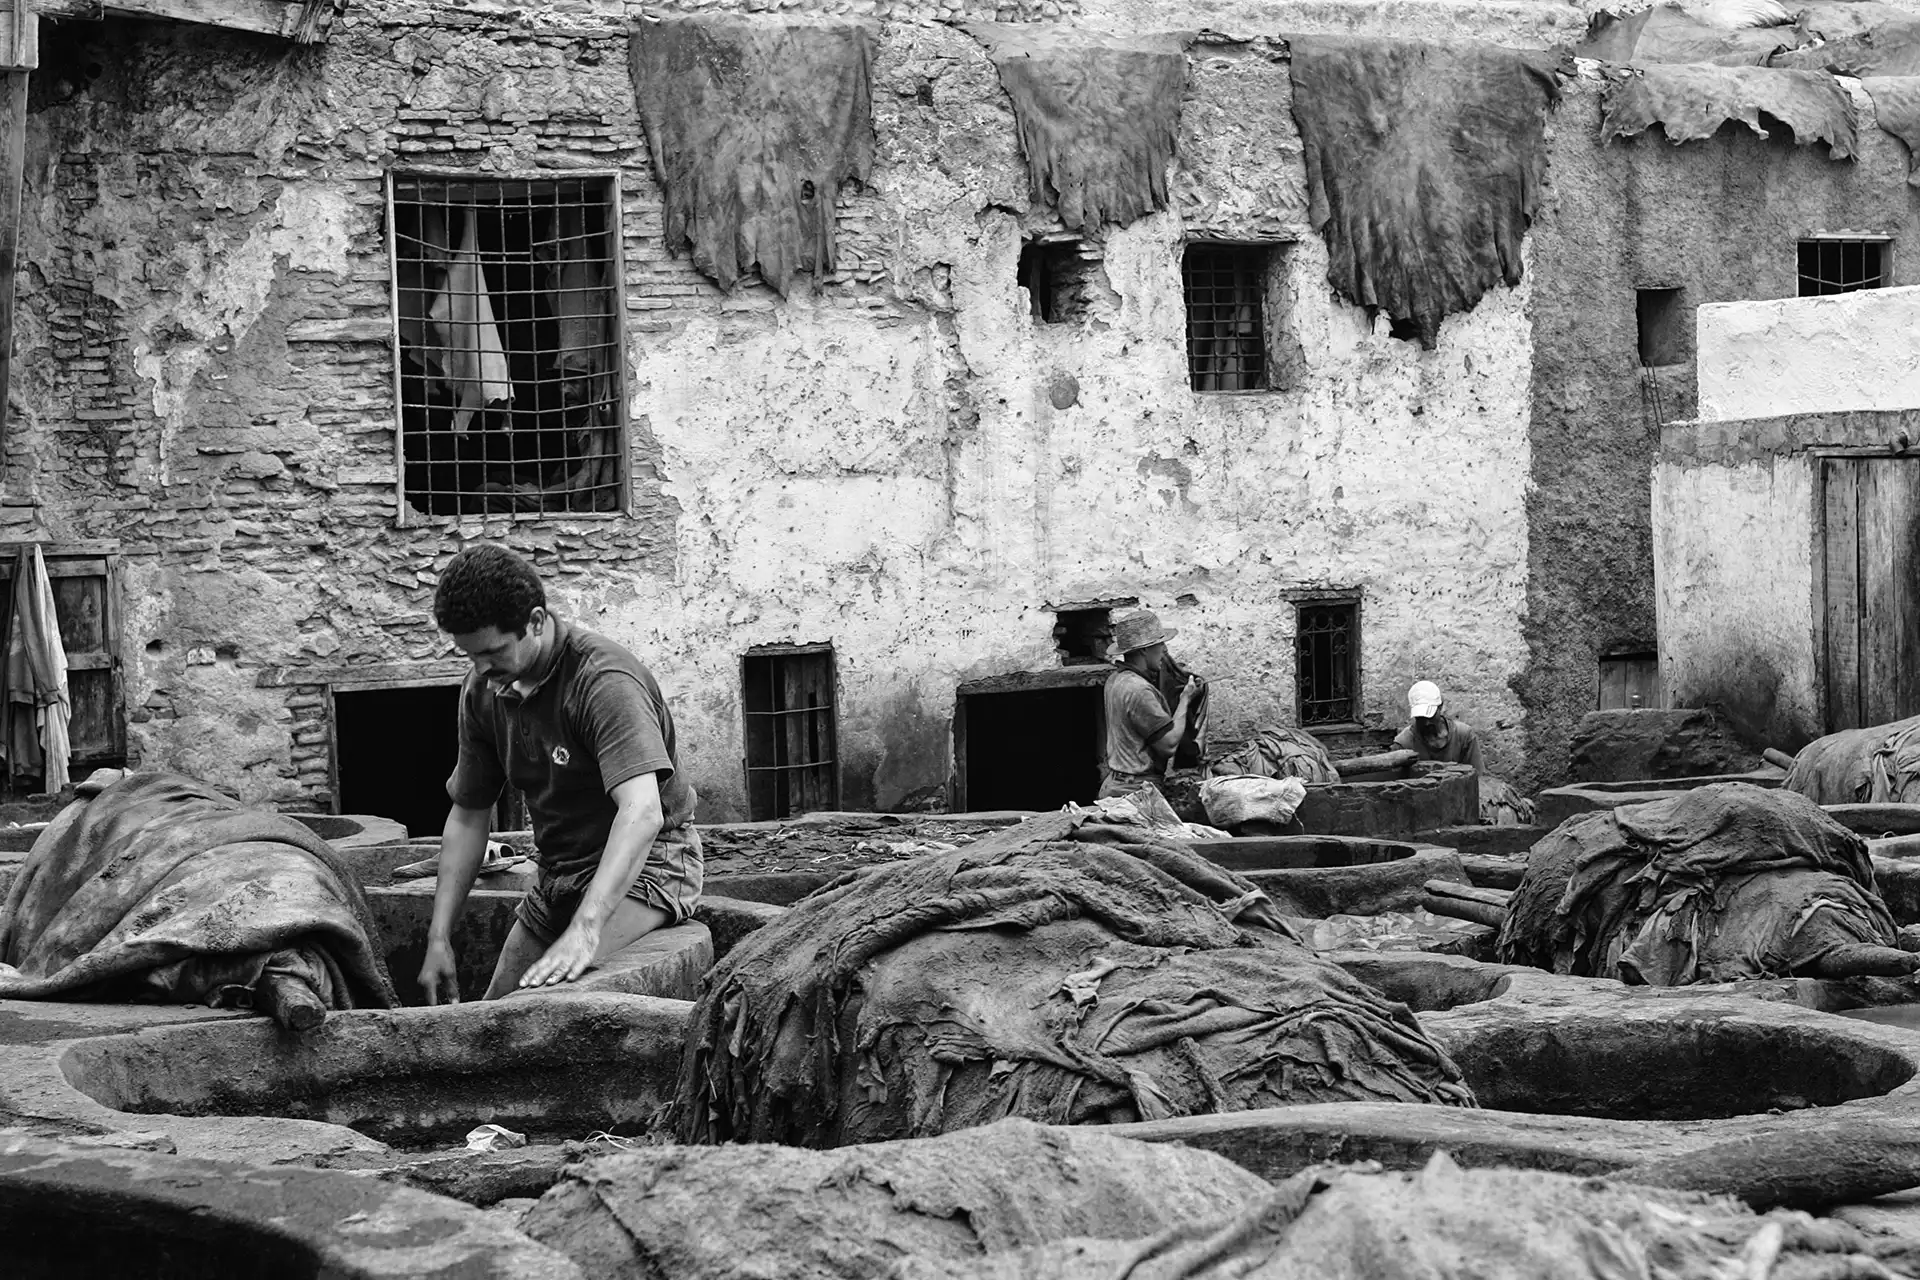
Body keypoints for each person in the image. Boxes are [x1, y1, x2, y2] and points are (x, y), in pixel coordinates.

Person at [417, 544, 701, 1003]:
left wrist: (587, 928)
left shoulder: (604, 681)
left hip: (653, 867)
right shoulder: (484, 688)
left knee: (538, 1008)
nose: (481, 670)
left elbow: (642, 811)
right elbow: (469, 815)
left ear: (534, 621)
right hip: (559, 874)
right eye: (470, 656)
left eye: (492, 652)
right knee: (490, 1014)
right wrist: (438, 937)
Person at [1099, 610, 1203, 799]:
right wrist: (1185, 699)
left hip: (1115, 785)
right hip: (1135, 793)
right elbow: (1168, 745)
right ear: (1144, 650)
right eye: (1160, 644)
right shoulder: (1139, 690)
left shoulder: (1115, 680)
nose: (1164, 650)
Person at [1394, 680, 1484, 774]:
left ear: (1440, 707)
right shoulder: (1404, 743)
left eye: (1430, 716)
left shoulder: (1464, 736)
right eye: (1420, 718)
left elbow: (1476, 776)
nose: (1426, 723)